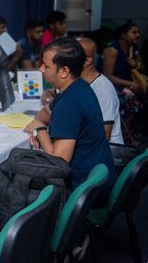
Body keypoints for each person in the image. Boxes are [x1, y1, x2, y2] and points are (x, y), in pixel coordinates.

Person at [24, 38, 116, 205]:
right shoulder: (77, 86)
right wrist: (38, 122)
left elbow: (59, 161)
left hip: (84, 191)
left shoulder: (70, 105)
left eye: (46, 65)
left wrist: (40, 131)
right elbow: (44, 113)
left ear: (64, 71)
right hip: (96, 178)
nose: (41, 69)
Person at [102, 20, 145, 140]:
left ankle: (128, 132)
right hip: (112, 85)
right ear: (123, 35)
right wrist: (130, 84)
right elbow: (107, 75)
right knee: (131, 99)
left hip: (127, 85)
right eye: (134, 32)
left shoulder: (134, 49)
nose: (138, 35)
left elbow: (142, 68)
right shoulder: (112, 50)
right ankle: (123, 133)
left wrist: (136, 64)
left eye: (138, 32)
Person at [77, 37, 124, 144]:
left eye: (72, 54)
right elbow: (51, 92)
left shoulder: (102, 88)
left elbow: (104, 134)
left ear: (87, 61)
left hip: (108, 151)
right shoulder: (76, 81)